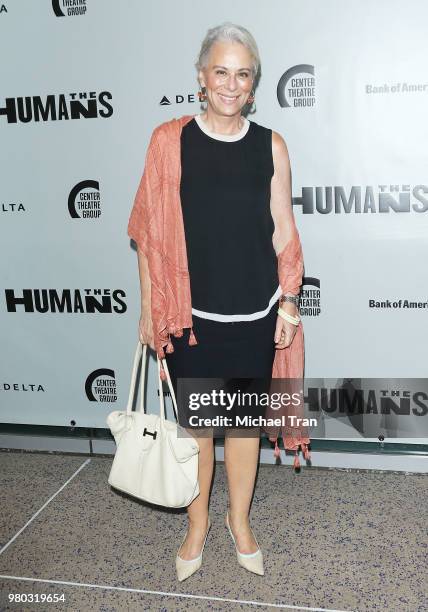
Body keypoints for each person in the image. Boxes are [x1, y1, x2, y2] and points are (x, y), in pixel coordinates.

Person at [128, 22, 304, 581]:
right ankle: (198, 526)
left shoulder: (269, 145)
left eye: (243, 74)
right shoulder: (169, 141)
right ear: (201, 77)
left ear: (254, 86)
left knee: (245, 428)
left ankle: (240, 522)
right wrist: (151, 308)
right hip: (191, 319)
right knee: (200, 431)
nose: (231, 83)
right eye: (221, 71)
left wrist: (290, 302)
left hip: (254, 315)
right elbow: (149, 235)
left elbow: (283, 230)